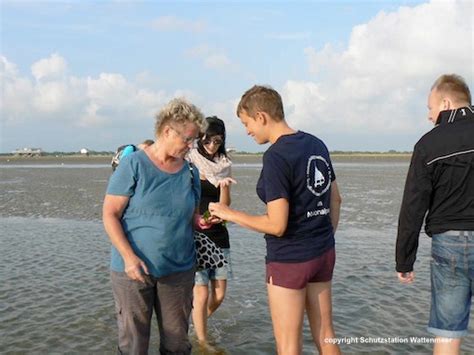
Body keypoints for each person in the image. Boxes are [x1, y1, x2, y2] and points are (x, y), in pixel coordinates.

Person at [208, 85, 342, 355]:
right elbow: (335, 200)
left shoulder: (275, 156)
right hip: (323, 252)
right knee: (326, 336)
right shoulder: (316, 143)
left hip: (289, 259)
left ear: (261, 117)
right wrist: (322, 240)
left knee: (288, 345)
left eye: (246, 123)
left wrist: (228, 214)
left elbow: (277, 225)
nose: (247, 131)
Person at [103, 98, 207, 354]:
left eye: (194, 140)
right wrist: (129, 258)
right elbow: (109, 214)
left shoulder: (190, 172)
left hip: (178, 270)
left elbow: (191, 217)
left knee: (177, 345)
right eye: (187, 139)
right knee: (134, 345)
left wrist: (201, 220)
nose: (191, 146)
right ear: (168, 131)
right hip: (133, 272)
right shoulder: (133, 164)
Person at [396, 74, 474, 355]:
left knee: (448, 333)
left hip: (449, 245)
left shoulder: (429, 144)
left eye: (430, 108)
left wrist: (404, 260)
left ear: (446, 102)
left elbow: (412, 208)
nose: (429, 116)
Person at [186, 116, 236, 345]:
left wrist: (223, 186)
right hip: (196, 235)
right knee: (202, 292)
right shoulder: (190, 161)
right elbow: (187, 198)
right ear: (200, 138)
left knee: (220, 294)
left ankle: (196, 323)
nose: (212, 146)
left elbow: (225, 207)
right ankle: (203, 342)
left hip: (218, 233)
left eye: (217, 141)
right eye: (207, 141)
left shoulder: (225, 165)